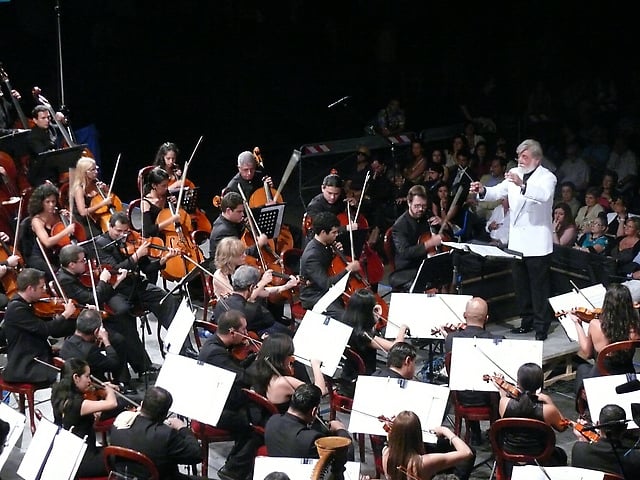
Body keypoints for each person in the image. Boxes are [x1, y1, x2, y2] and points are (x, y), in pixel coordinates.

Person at [470, 139, 556, 340]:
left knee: (538, 287)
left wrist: (523, 185)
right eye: (518, 157)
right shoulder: (514, 173)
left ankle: (541, 326)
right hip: (517, 242)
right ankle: (526, 321)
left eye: (524, 157)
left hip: (537, 242)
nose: (520, 160)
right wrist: (482, 190)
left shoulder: (547, 177)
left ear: (537, 159)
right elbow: (497, 192)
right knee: (521, 286)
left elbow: (543, 196)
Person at [56, 243, 152, 379]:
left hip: (93, 313)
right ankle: (122, 379)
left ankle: (142, 366)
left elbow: (99, 297)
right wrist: (102, 281)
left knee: (125, 321)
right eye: (82, 261)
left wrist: (116, 282)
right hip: (83, 322)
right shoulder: (65, 280)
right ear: (71, 264)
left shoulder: (74, 274)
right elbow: (92, 298)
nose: (86, 263)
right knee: (118, 338)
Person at [95, 212, 181, 346]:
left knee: (167, 299)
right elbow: (114, 270)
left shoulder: (133, 240)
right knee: (124, 313)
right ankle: (138, 354)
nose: (123, 235)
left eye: (126, 231)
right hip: (117, 289)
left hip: (136, 284)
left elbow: (146, 268)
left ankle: (180, 344)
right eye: (118, 231)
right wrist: (137, 255)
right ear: (110, 227)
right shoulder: (101, 244)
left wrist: (164, 259)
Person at [197, 309, 262, 480]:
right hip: (213, 407)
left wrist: (251, 357)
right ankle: (233, 470)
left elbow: (234, 367)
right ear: (232, 332)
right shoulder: (215, 353)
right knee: (256, 425)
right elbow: (243, 378)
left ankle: (235, 463)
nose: (247, 334)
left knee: (255, 414)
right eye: (244, 330)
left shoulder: (215, 343)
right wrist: (260, 365)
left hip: (219, 396)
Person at [440, 297, 503, 446]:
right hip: (489, 399)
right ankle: (499, 436)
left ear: (464, 316)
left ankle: (474, 433)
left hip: (461, 397)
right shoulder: (498, 340)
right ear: (486, 318)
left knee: (468, 379)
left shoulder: (451, 339)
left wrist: (449, 334)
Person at [109, 386, 208, 480]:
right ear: (165, 414)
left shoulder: (121, 420)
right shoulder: (166, 435)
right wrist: (182, 428)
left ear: (142, 404)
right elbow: (196, 455)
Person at [569, 283, 640, 414]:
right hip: (627, 374)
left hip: (603, 376)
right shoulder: (635, 327)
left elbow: (587, 353)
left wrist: (577, 324)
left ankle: (585, 413)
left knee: (582, 368)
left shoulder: (595, 325)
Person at [2, 267, 76, 384]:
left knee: (75, 365)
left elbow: (54, 331)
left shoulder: (29, 304)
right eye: (41, 287)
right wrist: (65, 314)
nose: (44, 289)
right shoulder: (17, 309)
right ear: (30, 289)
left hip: (37, 353)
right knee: (70, 379)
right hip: (26, 363)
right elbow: (45, 329)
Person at [496, 362, 568, 476]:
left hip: (510, 454)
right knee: (561, 454)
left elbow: (506, 400)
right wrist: (549, 401)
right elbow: (562, 426)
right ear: (539, 384)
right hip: (539, 455)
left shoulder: (503, 403)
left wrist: (502, 390)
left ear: (518, 383)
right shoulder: (548, 410)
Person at [51, 358, 118, 478]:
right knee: (124, 457)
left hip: (69, 454)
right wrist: (109, 390)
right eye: (87, 376)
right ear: (76, 377)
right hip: (83, 460)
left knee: (113, 451)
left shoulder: (58, 394)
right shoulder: (77, 404)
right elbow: (112, 403)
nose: (89, 380)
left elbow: (80, 423)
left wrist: (95, 415)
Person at [340, 288, 408, 390]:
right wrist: (403, 328)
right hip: (360, 381)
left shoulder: (348, 323)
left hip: (348, 374)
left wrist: (375, 317)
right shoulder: (363, 335)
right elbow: (396, 347)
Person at [298, 211, 360, 321]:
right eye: (334, 232)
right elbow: (326, 284)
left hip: (328, 290)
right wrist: (348, 269)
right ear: (323, 232)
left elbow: (331, 267)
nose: (336, 235)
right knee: (345, 317)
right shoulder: (312, 256)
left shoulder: (326, 244)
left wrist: (337, 254)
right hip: (315, 295)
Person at [264, 383, 353, 459]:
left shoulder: (272, 421)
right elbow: (346, 455)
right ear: (314, 411)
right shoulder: (311, 439)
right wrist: (340, 429)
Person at [59, 307, 133, 394]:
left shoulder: (67, 342)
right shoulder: (90, 350)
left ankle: (123, 381)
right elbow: (114, 363)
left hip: (72, 384)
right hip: (92, 387)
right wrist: (105, 340)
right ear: (96, 331)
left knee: (118, 340)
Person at [382, 410, 474, 480]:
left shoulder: (385, 453)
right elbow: (467, 452)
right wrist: (446, 431)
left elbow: (392, 440)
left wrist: (397, 427)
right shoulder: (423, 463)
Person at [248, 333, 325, 414]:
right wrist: (315, 366)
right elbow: (319, 392)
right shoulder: (283, 382)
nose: (291, 358)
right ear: (281, 358)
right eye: (289, 355)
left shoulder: (259, 371)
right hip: (295, 418)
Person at [389, 184, 443, 292]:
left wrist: (442, 223)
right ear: (409, 203)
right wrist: (429, 244)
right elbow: (405, 253)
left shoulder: (427, 214)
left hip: (426, 263)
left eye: (424, 206)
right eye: (417, 206)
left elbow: (446, 235)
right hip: (408, 269)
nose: (421, 209)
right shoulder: (399, 226)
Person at [212, 264, 294, 335]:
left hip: (229, 340)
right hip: (252, 339)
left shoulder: (220, 303)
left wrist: (284, 287)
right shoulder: (253, 310)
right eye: (255, 286)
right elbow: (269, 321)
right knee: (288, 334)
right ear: (251, 287)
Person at [22, 182, 75, 280]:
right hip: (42, 256)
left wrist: (70, 218)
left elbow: (74, 231)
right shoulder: (37, 221)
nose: (51, 205)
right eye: (48, 202)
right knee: (58, 274)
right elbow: (47, 242)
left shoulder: (58, 214)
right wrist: (66, 231)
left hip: (57, 253)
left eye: (53, 201)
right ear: (40, 202)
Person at [571, 403, 640, 476]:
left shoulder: (578, 449)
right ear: (625, 427)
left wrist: (581, 438)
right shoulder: (636, 458)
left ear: (598, 424)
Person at [209, 191, 267, 263]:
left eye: (242, 211)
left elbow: (250, 212)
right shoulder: (223, 231)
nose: (243, 214)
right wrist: (259, 244)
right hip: (226, 267)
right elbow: (239, 256)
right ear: (228, 211)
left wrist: (266, 206)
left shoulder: (228, 220)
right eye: (239, 212)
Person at [71, 156, 113, 237]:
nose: (96, 172)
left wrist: (106, 190)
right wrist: (102, 204)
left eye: (96, 168)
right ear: (84, 172)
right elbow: (83, 212)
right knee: (100, 235)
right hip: (85, 222)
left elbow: (108, 198)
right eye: (92, 170)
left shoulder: (95, 182)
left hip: (96, 217)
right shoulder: (78, 189)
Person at [25, 105, 58, 186]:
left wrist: (62, 120)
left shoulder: (51, 128)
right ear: (35, 120)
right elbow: (42, 153)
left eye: (48, 117)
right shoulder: (33, 136)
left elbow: (61, 127)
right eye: (43, 118)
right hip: (41, 174)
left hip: (54, 168)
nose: (47, 120)